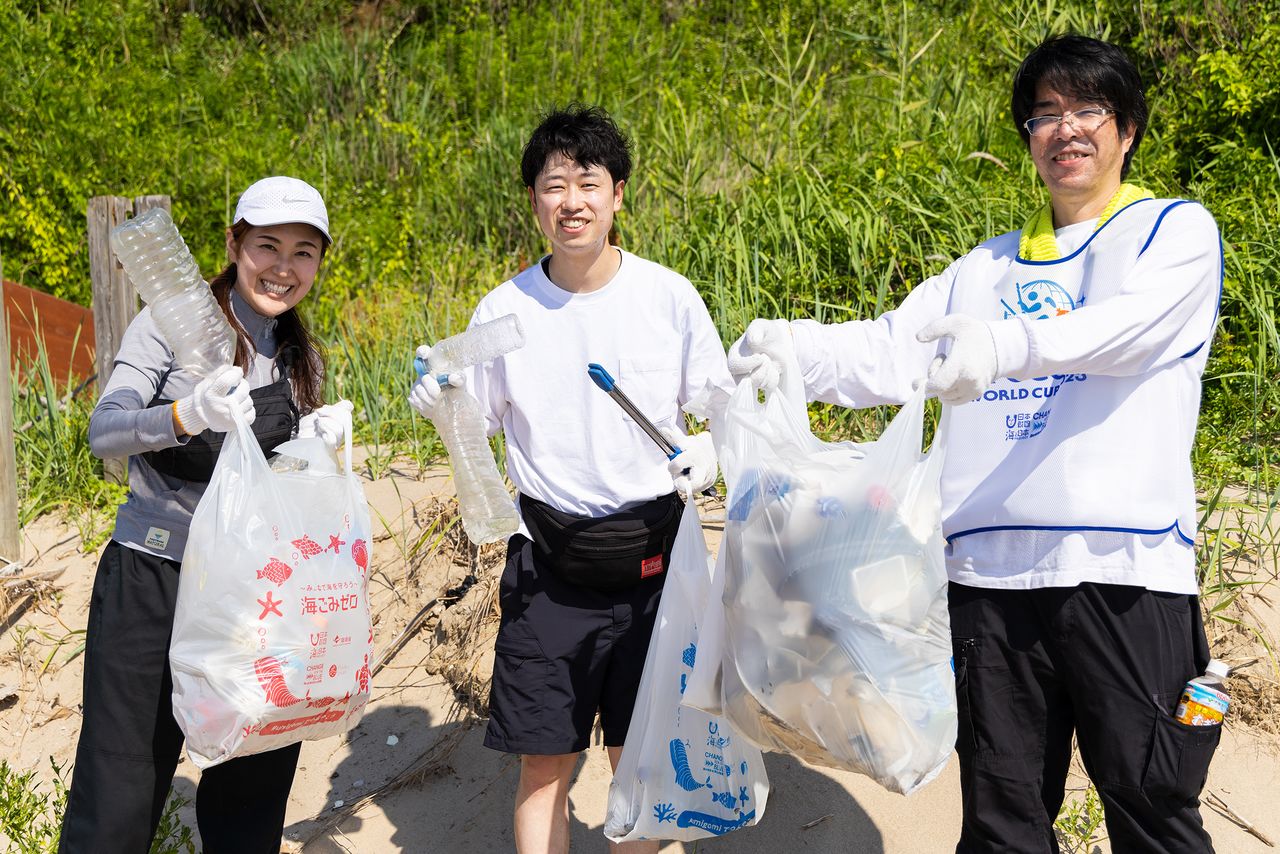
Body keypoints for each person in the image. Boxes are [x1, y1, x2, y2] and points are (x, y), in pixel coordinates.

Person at [730, 35, 1222, 853]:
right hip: (988, 582)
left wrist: (1007, 347)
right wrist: (798, 350)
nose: (1066, 129)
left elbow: (1132, 331)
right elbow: (893, 350)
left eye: (1088, 110)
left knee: (1152, 808)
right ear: (1027, 136)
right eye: (1045, 114)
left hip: (1122, 571)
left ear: (1126, 129)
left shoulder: (1172, 233)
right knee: (1001, 824)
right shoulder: (980, 271)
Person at [409, 105, 730, 854]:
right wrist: (440, 402)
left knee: (642, 761)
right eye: (554, 186)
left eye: (589, 182)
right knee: (544, 766)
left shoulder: (667, 298)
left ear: (619, 194)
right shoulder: (505, 310)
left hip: (656, 567)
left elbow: (723, 406)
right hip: (548, 570)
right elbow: (475, 420)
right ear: (533, 201)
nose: (572, 201)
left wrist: (711, 449)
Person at [60, 176, 353, 854]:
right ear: (234, 243)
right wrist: (185, 415)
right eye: (267, 246)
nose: (283, 267)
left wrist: (321, 450)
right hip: (153, 580)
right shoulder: (171, 321)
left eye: (304, 252)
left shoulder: (297, 354)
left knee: (251, 796)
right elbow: (104, 431)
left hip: (253, 602)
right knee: (119, 791)